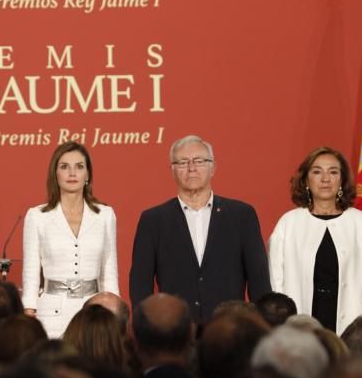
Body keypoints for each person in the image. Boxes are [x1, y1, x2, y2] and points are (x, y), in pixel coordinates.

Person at [130, 135, 271, 324]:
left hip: (230, 330)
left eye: (199, 161)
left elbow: (258, 278)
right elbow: (140, 285)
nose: (191, 168)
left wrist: (263, 326)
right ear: (172, 170)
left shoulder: (241, 215)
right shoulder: (153, 220)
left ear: (213, 167)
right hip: (175, 332)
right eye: (182, 162)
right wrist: (146, 329)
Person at [268, 146, 362, 334]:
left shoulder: (361, 223)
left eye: (333, 172)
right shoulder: (289, 223)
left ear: (342, 180)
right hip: (299, 331)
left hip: (354, 331)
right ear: (306, 179)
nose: (325, 179)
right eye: (317, 172)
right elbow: (275, 281)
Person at [21, 142, 119, 338]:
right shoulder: (37, 216)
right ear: (55, 173)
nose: (72, 173)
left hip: (94, 313)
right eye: (64, 167)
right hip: (51, 314)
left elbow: (109, 270)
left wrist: (114, 311)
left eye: (79, 166)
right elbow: (31, 271)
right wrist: (29, 310)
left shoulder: (105, 215)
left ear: (88, 174)